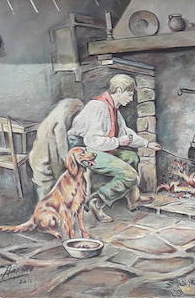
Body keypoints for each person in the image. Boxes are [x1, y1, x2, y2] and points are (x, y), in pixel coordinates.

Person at [67, 75, 160, 222]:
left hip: (98, 147)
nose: (131, 99)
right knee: (131, 175)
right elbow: (92, 140)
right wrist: (118, 142)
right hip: (83, 150)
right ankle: (96, 202)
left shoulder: (113, 108)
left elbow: (125, 133)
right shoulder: (98, 107)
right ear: (118, 90)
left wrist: (147, 144)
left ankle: (133, 198)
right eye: (129, 94)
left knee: (132, 157)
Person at [28, 98, 83, 199]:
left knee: (45, 183)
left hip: (39, 154)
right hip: (46, 156)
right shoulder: (60, 123)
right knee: (47, 185)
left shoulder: (52, 118)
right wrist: (69, 161)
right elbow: (62, 146)